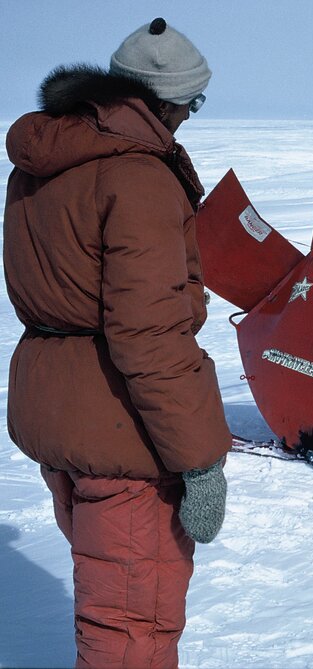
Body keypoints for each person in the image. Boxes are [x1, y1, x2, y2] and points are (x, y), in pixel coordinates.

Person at [3, 18, 231, 668]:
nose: (189, 116)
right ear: (161, 101)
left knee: (111, 607)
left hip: (59, 415)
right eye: (190, 102)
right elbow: (151, 336)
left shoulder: (44, 164)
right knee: (132, 628)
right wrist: (200, 461)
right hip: (124, 435)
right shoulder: (136, 179)